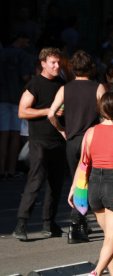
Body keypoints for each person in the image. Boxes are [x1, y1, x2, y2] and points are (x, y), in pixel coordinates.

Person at [68, 92, 113, 276]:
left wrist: (74, 188)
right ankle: (97, 272)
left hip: (94, 187)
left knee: (109, 237)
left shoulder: (90, 132)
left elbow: (83, 164)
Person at [48, 50, 106, 244]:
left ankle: (80, 220)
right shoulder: (98, 88)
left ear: (72, 68)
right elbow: (106, 115)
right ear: (91, 67)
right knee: (89, 181)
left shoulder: (65, 88)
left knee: (77, 180)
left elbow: (51, 113)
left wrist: (62, 130)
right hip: (92, 140)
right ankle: (77, 222)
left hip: (72, 141)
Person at [13, 48, 66, 241]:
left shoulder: (62, 84)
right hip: (39, 141)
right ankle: (21, 223)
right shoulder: (35, 83)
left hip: (58, 140)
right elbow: (22, 111)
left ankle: (49, 223)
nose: (57, 66)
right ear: (43, 63)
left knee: (56, 184)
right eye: (53, 62)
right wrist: (48, 111)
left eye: (59, 62)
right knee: (35, 180)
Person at [0, 33, 34, 179]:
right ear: (18, 38)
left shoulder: (1, 54)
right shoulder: (22, 55)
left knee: (3, 134)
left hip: (2, 96)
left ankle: (1, 169)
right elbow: (25, 76)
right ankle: (11, 169)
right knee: (14, 134)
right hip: (16, 98)